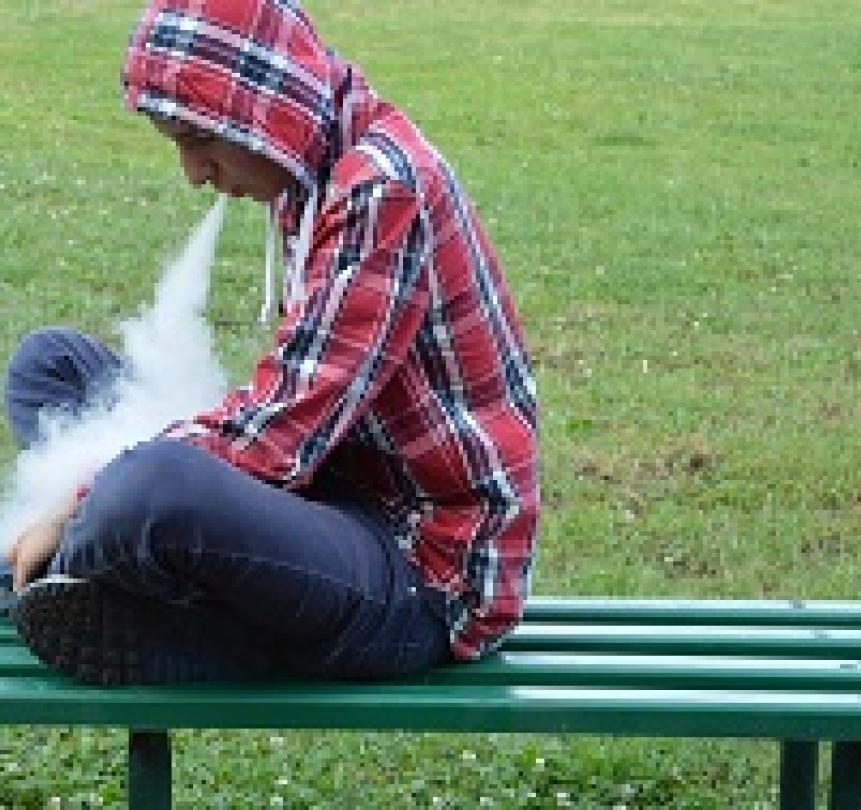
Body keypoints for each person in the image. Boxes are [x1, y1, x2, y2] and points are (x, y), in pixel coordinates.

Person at [3, 0, 539, 685]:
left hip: (425, 573)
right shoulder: (312, 159)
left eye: (198, 138)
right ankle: (95, 568)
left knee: (150, 489)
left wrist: (77, 499)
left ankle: (158, 617)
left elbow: (281, 431)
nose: (193, 172)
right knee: (50, 366)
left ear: (263, 110)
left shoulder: (383, 189)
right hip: (334, 492)